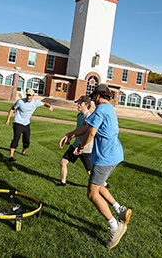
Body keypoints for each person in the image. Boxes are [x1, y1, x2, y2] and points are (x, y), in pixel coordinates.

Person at [60, 84, 131, 249]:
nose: (92, 99)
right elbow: (87, 127)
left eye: (92, 97)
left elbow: (91, 133)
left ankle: (115, 226)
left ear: (98, 96)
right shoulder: (109, 108)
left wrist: (80, 147)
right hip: (114, 155)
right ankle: (120, 210)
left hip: (105, 158)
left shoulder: (100, 109)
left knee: (92, 194)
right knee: (99, 187)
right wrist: (71, 134)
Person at [6, 88, 53, 162]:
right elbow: (12, 109)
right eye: (27, 95)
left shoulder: (35, 102)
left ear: (33, 96)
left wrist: (50, 106)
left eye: (30, 95)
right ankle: (11, 156)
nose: (28, 97)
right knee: (16, 138)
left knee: (27, 140)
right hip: (17, 122)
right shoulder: (20, 102)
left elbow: (44, 104)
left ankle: (23, 152)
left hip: (26, 124)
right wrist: (8, 119)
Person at [56, 95, 94, 187]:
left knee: (90, 171)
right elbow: (78, 130)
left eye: (80, 103)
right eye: (78, 103)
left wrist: (81, 146)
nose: (78, 105)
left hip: (85, 148)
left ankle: (104, 185)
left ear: (86, 104)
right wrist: (70, 137)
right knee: (63, 162)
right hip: (76, 144)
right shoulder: (79, 115)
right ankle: (63, 182)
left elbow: (88, 133)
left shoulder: (89, 117)